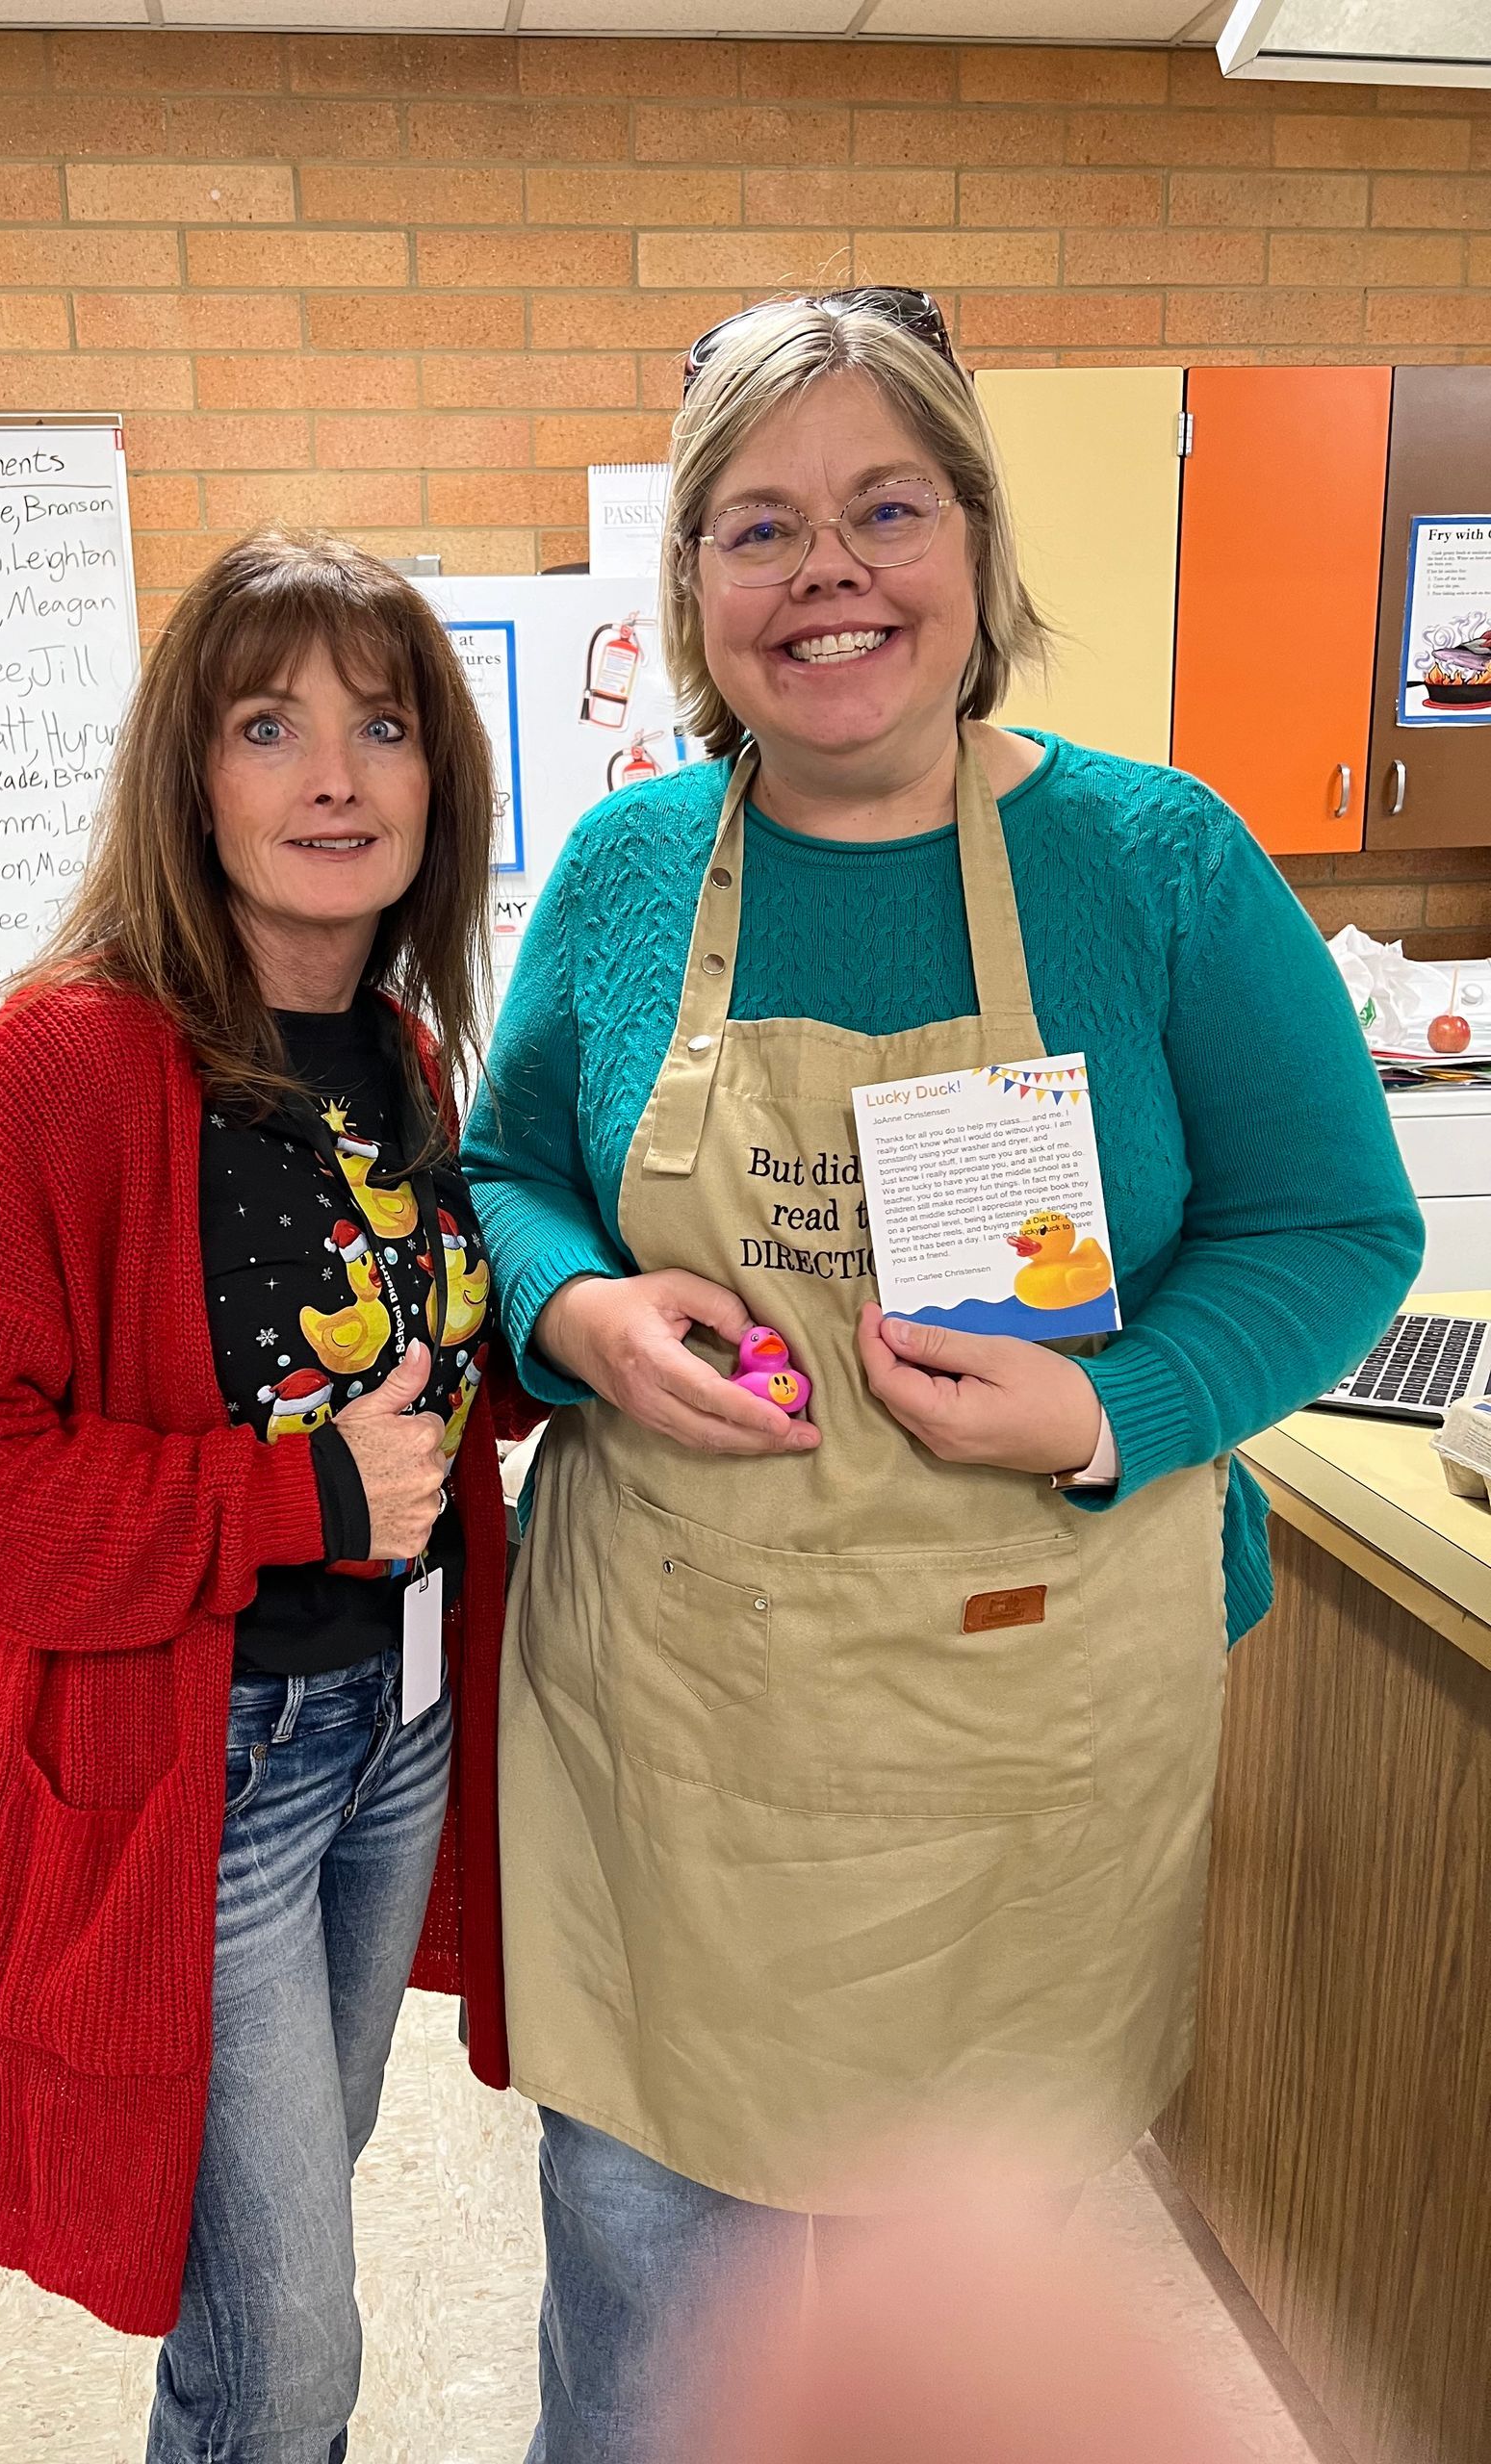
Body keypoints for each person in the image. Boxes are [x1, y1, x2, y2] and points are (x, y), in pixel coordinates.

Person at [462, 290, 1425, 2462]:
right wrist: (585, 1313)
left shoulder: (1155, 861)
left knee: (947, 2340)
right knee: (653, 2308)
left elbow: (1338, 1228)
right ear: (692, 587)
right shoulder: (625, 876)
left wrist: (1112, 1407)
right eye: (761, 528)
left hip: (1013, 1729)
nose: (829, 577)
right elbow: (511, 1167)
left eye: (886, 508)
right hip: (683, 1733)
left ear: (978, 549)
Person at [0, 529, 539, 2464]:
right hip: (198, 1772)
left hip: (392, 1732)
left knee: (260, 2280)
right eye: (270, 722)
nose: (335, 775)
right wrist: (281, 1496)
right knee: (293, 2341)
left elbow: (414, 1371)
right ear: (189, 776)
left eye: (381, 726)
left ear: (435, 780)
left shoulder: (392, 1046)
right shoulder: (63, 1066)